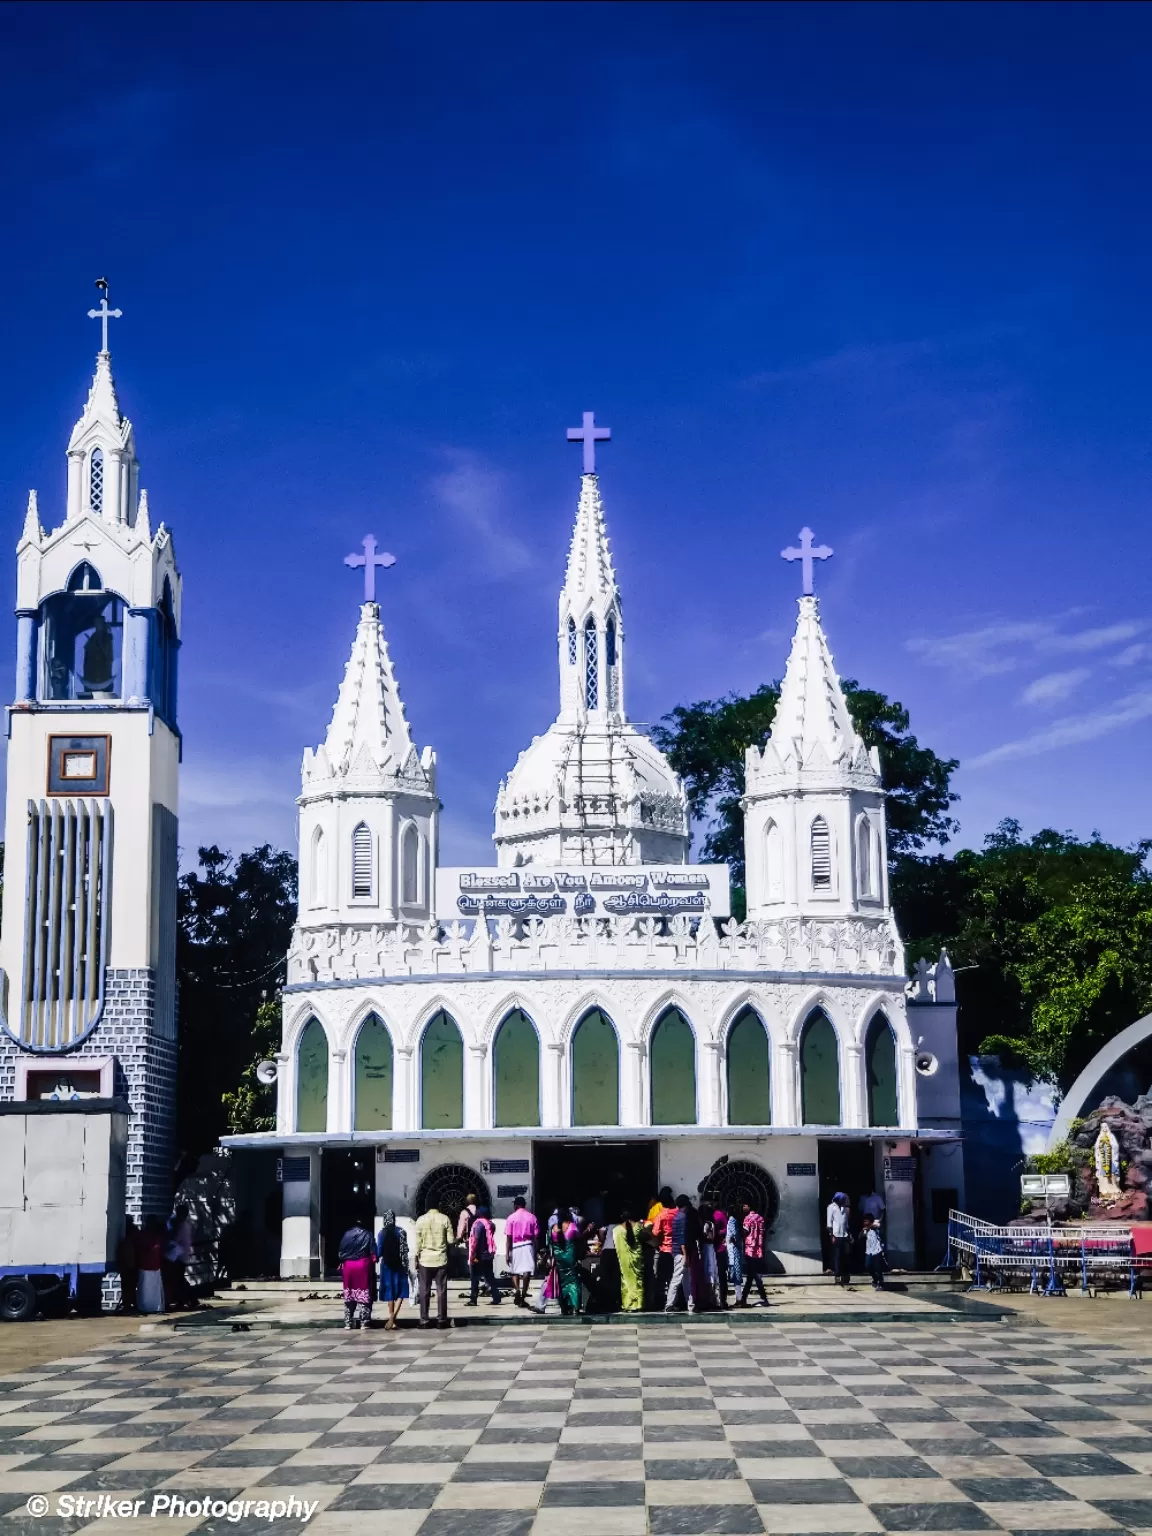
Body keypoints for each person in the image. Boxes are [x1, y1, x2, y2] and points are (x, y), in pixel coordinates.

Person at [415, 1200, 455, 1328]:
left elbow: (418, 1243)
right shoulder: (445, 1219)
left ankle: (424, 1320)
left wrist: (416, 1258)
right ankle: (441, 1319)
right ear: (439, 1205)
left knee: (424, 1291)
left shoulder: (420, 1220)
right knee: (441, 1291)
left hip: (424, 1260)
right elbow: (450, 1240)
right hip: (440, 1259)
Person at [338, 1220, 376, 1329]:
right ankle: (364, 1322)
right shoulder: (368, 1234)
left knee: (349, 1295)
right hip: (362, 1266)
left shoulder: (346, 1235)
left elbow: (340, 1252)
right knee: (364, 1294)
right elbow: (374, 1255)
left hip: (348, 1267)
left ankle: (348, 1322)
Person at [376, 1210, 410, 1330]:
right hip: (400, 1266)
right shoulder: (401, 1232)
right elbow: (405, 1250)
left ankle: (391, 1318)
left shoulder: (381, 1234)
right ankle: (393, 1318)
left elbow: (379, 1252)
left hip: (387, 1267)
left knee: (390, 1291)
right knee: (401, 1291)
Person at [504, 1196, 539, 1308]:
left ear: (516, 1205)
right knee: (527, 1271)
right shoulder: (532, 1217)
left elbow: (508, 1238)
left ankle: (517, 1289)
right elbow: (535, 1236)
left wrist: (507, 1253)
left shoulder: (511, 1218)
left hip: (516, 1245)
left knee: (514, 1271)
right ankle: (523, 1295)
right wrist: (536, 1250)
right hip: (528, 1245)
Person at [664, 1194, 696, 1314]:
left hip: (676, 1251)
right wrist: (686, 1255)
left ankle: (690, 1304)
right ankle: (669, 1304)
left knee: (686, 1279)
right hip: (681, 1252)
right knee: (677, 1278)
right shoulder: (683, 1218)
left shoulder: (677, 1216)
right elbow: (682, 1238)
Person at [164, 1203, 198, 1311]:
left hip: (178, 1256)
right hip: (179, 1256)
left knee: (178, 1279)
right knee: (178, 1279)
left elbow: (175, 1240)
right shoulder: (182, 1224)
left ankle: (189, 1300)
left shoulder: (181, 1226)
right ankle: (186, 1300)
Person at [466, 1205, 502, 1306]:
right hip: (488, 1255)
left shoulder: (478, 1224)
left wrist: (473, 1255)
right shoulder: (491, 1224)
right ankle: (496, 1297)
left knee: (474, 1277)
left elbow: (476, 1239)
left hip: (478, 1255)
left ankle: (473, 1299)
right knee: (490, 1276)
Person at [550, 1207, 583, 1315]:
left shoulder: (553, 1228)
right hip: (570, 1258)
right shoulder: (572, 1227)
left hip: (559, 1259)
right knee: (573, 1281)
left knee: (562, 1282)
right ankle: (575, 1306)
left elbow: (549, 1243)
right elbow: (579, 1237)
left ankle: (564, 1306)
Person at [735, 1202, 769, 1307]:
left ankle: (758, 1298)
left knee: (754, 1275)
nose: (743, 1207)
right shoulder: (760, 1218)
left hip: (750, 1249)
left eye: (745, 1205)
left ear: (749, 1207)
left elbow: (745, 1232)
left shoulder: (748, 1218)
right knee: (753, 1274)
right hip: (758, 1250)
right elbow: (763, 1232)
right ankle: (746, 1298)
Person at [614, 1208, 646, 1312]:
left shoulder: (616, 1230)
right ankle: (638, 1304)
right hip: (637, 1259)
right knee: (637, 1280)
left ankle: (627, 1305)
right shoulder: (638, 1227)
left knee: (625, 1281)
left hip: (624, 1261)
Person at [650, 1196, 677, 1308]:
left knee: (661, 1278)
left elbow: (655, 1232)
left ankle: (660, 1302)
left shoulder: (661, 1214)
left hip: (665, 1250)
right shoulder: (677, 1213)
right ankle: (675, 1301)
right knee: (674, 1277)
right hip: (676, 1250)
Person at [136, 1215, 166, 1314]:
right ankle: (145, 1308)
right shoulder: (143, 1234)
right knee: (145, 1289)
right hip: (145, 1265)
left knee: (154, 1289)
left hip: (155, 1265)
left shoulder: (157, 1235)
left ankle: (155, 1307)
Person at [827, 1192, 853, 1287]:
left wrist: (849, 1235)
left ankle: (846, 1275)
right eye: (843, 1199)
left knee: (846, 1256)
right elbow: (829, 1223)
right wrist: (831, 1235)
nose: (845, 1201)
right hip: (836, 1235)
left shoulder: (846, 1209)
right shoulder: (831, 1207)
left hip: (845, 1235)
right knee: (837, 1257)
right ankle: (837, 1276)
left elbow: (846, 1224)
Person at [116, 1216, 139, 1313]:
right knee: (131, 1285)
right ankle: (131, 1303)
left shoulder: (126, 1233)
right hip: (133, 1263)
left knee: (126, 1285)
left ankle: (127, 1304)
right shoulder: (135, 1231)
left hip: (128, 1263)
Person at [725, 1209, 744, 1301]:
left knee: (735, 1273)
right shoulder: (736, 1220)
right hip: (735, 1250)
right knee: (736, 1273)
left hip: (733, 1250)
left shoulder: (731, 1220)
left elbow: (734, 1234)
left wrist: (732, 1240)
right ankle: (739, 1297)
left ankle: (739, 1298)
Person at [863, 1215, 886, 1289]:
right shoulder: (866, 1229)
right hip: (869, 1251)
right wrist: (864, 1231)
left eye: (866, 1221)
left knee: (877, 1267)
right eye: (864, 1221)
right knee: (868, 1265)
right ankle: (875, 1279)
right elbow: (860, 1236)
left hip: (877, 1250)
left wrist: (870, 1226)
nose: (865, 1222)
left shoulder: (875, 1225)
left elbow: (877, 1226)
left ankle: (881, 1283)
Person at [713, 1208, 730, 1308]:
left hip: (719, 1250)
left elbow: (726, 1229)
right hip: (710, 1249)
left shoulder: (719, 1214)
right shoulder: (705, 1212)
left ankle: (722, 1300)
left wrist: (717, 1233)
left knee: (721, 1276)